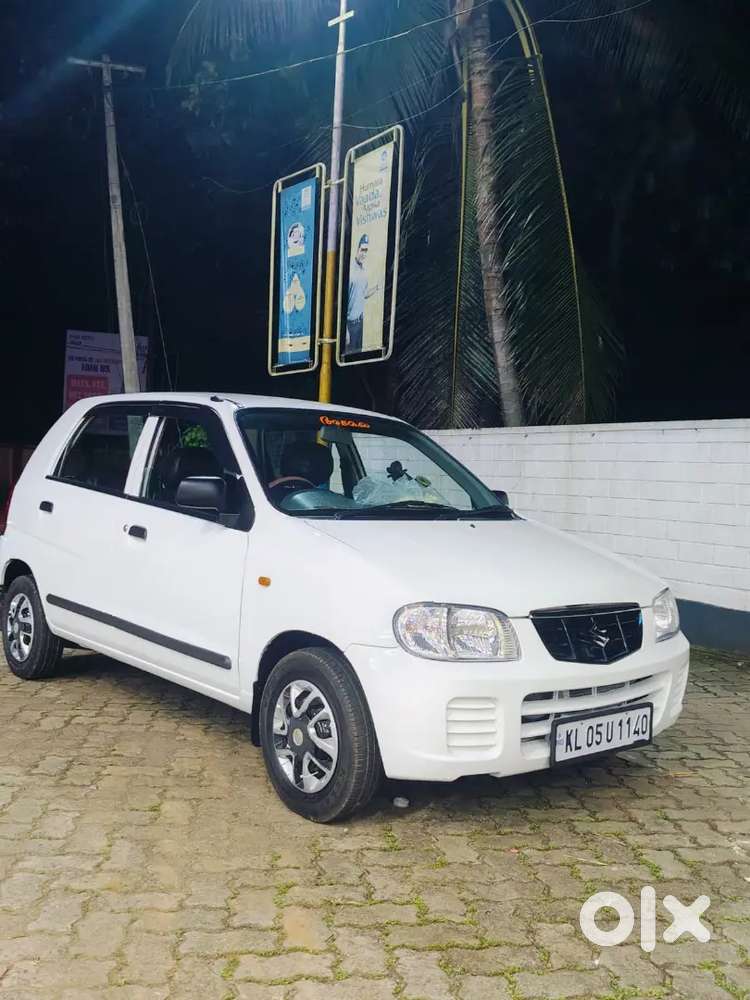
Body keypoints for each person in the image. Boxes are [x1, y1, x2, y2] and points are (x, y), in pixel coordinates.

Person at [345, 234, 380, 356]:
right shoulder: (350, 270)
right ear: (357, 249)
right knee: (349, 360)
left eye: (366, 251)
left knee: (358, 357)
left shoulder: (364, 271)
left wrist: (376, 288)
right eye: (362, 250)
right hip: (350, 325)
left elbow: (363, 295)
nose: (364, 253)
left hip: (360, 322)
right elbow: (342, 301)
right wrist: (345, 330)